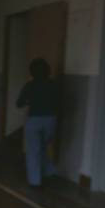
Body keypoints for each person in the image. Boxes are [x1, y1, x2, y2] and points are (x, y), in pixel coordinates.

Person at [16, 58, 60, 187]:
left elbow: (19, 103)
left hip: (34, 120)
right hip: (50, 121)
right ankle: (50, 171)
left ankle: (35, 182)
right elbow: (59, 102)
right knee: (41, 147)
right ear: (47, 71)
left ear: (32, 72)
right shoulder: (53, 84)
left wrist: (29, 101)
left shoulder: (30, 85)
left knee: (33, 150)